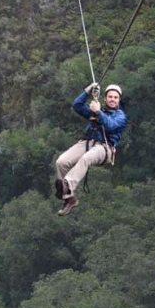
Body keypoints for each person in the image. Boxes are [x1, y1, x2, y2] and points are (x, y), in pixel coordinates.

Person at [55, 82, 127, 216]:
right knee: (61, 162)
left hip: (105, 148)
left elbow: (111, 126)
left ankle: (67, 186)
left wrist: (98, 112)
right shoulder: (97, 110)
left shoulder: (120, 115)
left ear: (119, 100)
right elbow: (77, 106)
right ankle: (69, 198)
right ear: (105, 99)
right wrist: (87, 92)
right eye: (110, 97)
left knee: (86, 158)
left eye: (115, 97)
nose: (112, 100)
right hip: (88, 142)